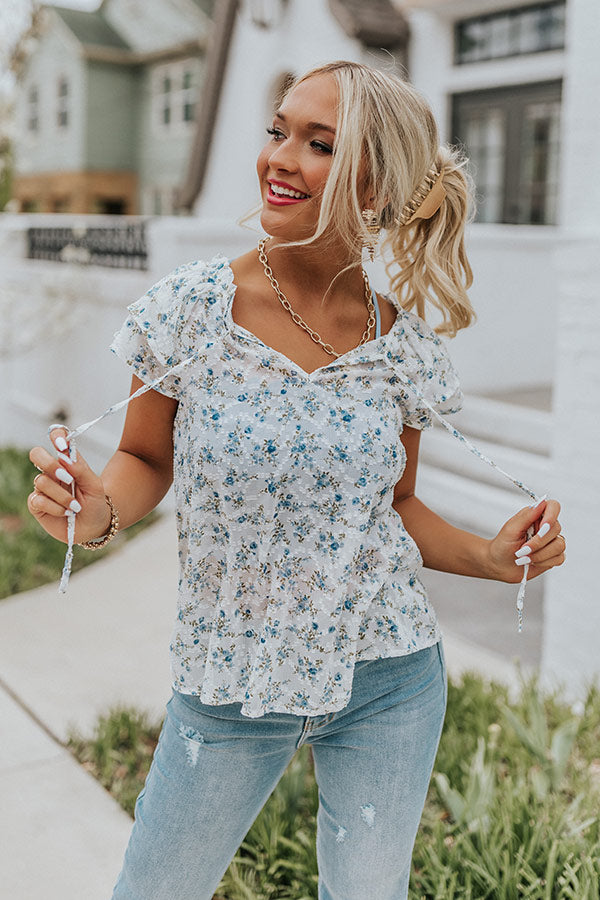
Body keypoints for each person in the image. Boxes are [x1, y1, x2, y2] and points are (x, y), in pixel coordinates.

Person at [28, 61, 565, 900]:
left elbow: (395, 508)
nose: (280, 157)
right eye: (278, 131)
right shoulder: (192, 312)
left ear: (377, 184)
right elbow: (144, 460)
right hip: (228, 681)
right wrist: (97, 514)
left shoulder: (402, 346)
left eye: (320, 144)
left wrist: (490, 559)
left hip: (390, 677)